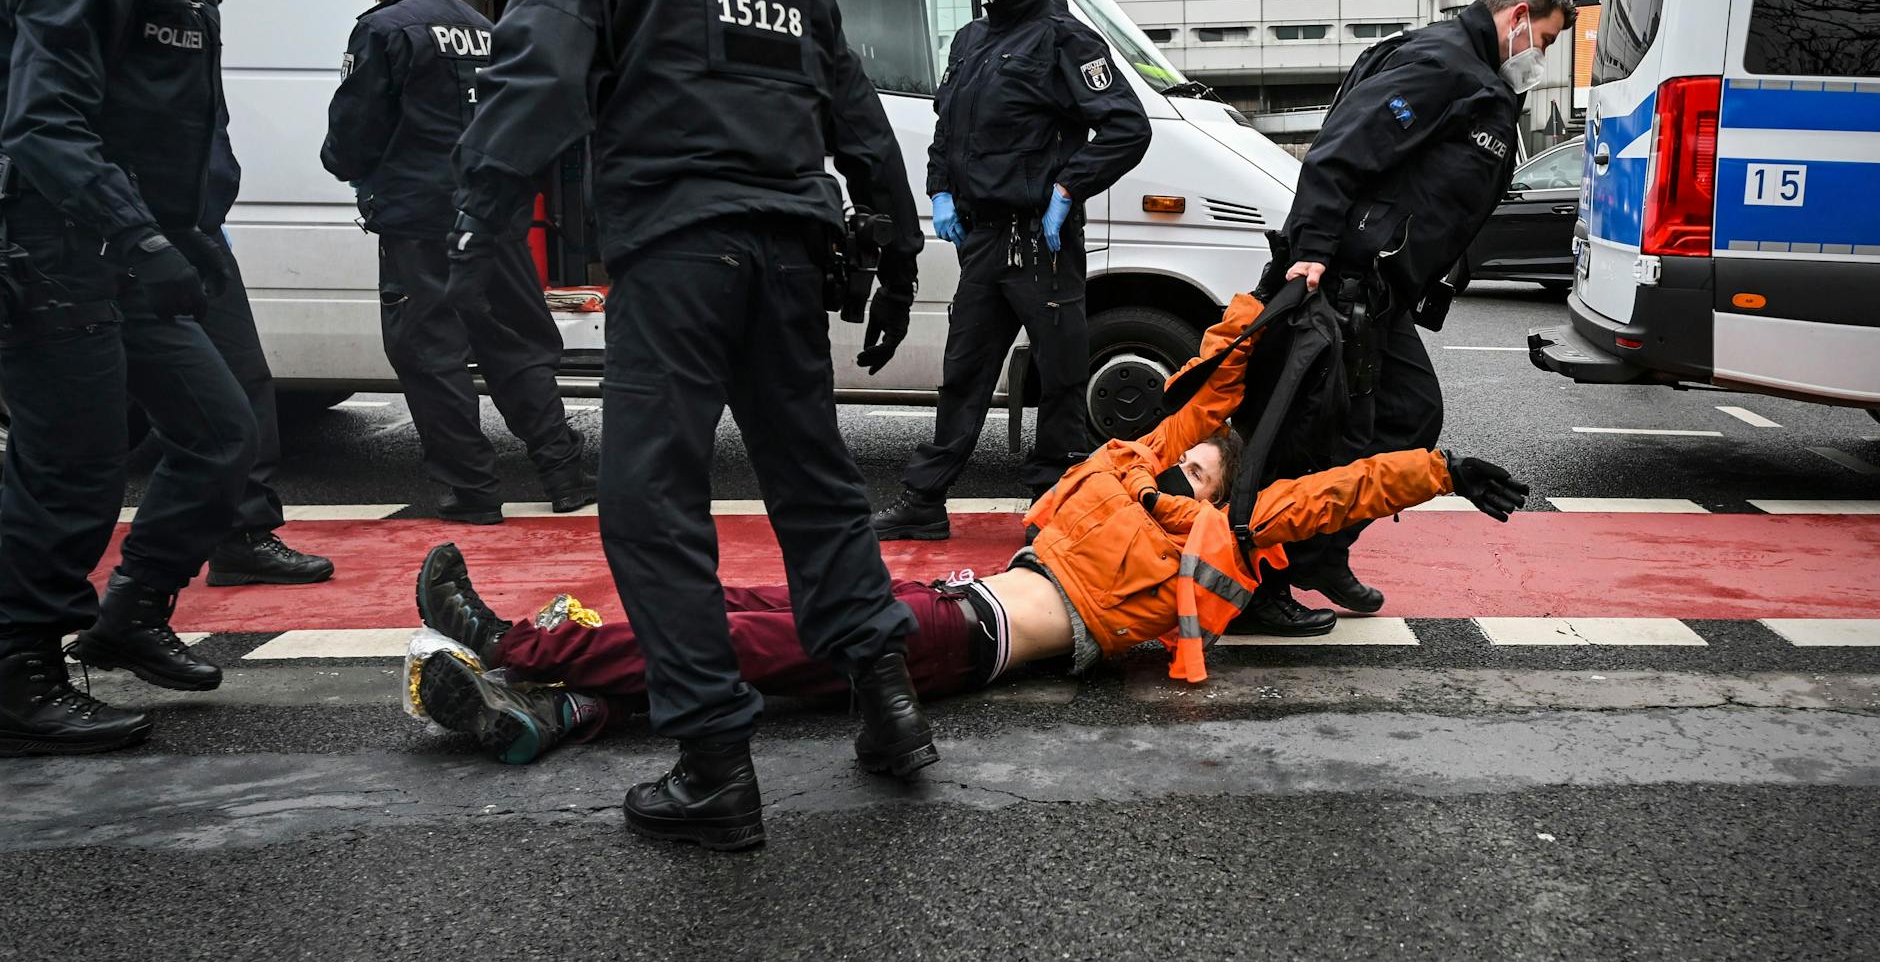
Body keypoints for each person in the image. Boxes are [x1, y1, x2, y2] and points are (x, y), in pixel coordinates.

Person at [450, 0, 938, 852]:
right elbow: (850, 102)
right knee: (811, 480)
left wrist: (476, 212)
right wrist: (896, 244)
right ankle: (887, 711)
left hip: (677, 245)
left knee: (652, 501)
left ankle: (715, 763)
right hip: (788, 248)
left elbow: (536, 71)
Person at [409, 291, 1527, 764]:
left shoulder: (1228, 534)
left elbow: (1331, 493)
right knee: (744, 620)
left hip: (967, 640)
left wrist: (1433, 467)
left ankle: (517, 644)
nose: (1188, 456)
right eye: (1188, 451)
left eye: (1206, 462)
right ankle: (564, 708)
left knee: (753, 639)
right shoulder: (1135, 461)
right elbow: (1209, 384)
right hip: (950, 603)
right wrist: (1269, 299)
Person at [0, 0, 260, 756]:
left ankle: (131, 611)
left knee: (221, 431)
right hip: (58, 252)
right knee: (70, 469)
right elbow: (43, 126)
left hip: (135, 250)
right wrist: (137, 235)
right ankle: (18, 669)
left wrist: (179, 232)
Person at [1240, 0, 1572, 636]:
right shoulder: (1440, 64)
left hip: (1378, 293)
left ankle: (1322, 549)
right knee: (1309, 437)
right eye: (1547, 39)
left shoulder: (1471, 76)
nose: (1544, 57)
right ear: (1516, 19)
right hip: (1341, 281)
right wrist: (1310, 250)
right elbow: (1340, 150)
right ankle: (1258, 585)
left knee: (1408, 418)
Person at [871, 0, 1152, 542]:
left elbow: (1126, 128)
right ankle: (925, 500)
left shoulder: (1066, 39)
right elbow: (948, 131)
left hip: (1040, 240)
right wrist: (940, 189)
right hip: (983, 238)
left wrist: (1066, 188)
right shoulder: (970, 40)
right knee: (963, 372)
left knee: (1059, 379)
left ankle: (1052, 509)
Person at [321, 0, 594, 525]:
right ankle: (564, 473)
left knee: (429, 351)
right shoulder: (485, 28)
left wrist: (347, 167)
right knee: (514, 345)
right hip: (494, 216)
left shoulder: (383, 28)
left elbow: (354, 130)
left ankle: (472, 489)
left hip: (421, 222)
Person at [196, 86, 335, 584]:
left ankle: (243, 535)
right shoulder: (92, 10)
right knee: (88, 426)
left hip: (193, 232)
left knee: (243, 386)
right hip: (110, 231)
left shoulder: (193, 11)